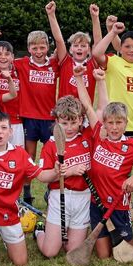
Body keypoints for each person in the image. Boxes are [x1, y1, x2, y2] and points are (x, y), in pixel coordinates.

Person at [74, 67, 133, 259]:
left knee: (125, 251)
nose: (114, 127)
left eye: (119, 123)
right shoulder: (99, 135)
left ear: (126, 123)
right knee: (104, 255)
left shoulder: (132, 144)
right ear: (105, 123)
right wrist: (78, 77)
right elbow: (86, 105)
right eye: (110, 123)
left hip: (119, 204)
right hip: (98, 203)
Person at [0, 111, 59, 266]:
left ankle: (8, 239)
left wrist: (56, 171)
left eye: (4, 127)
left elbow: (42, 176)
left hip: (9, 216)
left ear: (10, 131)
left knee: (21, 262)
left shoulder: (20, 154)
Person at [34, 96, 92, 257]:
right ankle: (39, 230)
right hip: (60, 196)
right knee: (50, 252)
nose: (69, 127)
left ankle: (63, 233)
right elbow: (42, 176)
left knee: (72, 251)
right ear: (57, 120)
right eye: (64, 123)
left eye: (73, 122)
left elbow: (99, 111)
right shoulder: (50, 144)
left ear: (81, 120)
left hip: (83, 197)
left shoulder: (87, 138)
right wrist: (58, 172)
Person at [15, 7, 61, 203]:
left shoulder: (54, 64)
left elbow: (60, 41)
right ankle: (27, 194)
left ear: (47, 48)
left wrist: (52, 16)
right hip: (30, 117)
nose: (39, 51)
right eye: (35, 48)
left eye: (42, 47)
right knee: (29, 156)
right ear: (28, 48)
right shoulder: (22, 63)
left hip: (50, 118)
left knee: (53, 155)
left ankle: (52, 189)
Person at [91, 21, 133, 139]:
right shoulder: (113, 61)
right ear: (120, 48)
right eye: (127, 47)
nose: (131, 50)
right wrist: (113, 32)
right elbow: (97, 53)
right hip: (118, 126)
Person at [47, 2, 106, 101]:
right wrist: (51, 14)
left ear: (89, 50)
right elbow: (59, 40)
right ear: (70, 49)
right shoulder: (65, 61)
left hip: (84, 114)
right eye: (76, 45)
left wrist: (95, 18)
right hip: (64, 114)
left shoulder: (92, 64)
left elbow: (98, 42)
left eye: (83, 46)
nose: (79, 48)